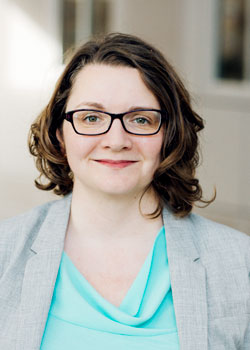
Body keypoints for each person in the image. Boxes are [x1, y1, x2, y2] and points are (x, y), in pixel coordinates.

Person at [0, 33, 249, 350]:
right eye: (91, 117)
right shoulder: (5, 252)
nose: (116, 140)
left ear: (170, 135)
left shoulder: (239, 264)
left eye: (141, 119)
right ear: (59, 134)